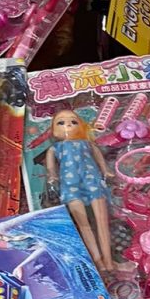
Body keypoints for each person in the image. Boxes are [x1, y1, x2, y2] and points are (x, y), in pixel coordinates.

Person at [45, 109, 115, 272]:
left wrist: (106, 170)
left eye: (73, 121)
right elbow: (50, 168)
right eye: (61, 122)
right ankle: (97, 261)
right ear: (54, 130)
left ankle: (108, 260)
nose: (68, 125)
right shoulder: (55, 148)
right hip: (70, 185)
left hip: (93, 180)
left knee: (102, 222)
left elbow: (99, 159)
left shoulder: (88, 144)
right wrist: (52, 176)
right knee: (83, 225)